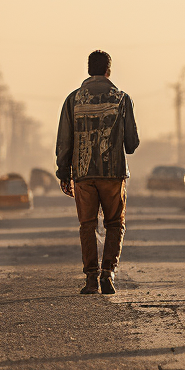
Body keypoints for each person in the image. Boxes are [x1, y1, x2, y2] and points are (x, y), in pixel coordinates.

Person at [55, 50, 140, 294]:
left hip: (82, 173)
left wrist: (64, 173)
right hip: (113, 174)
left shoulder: (73, 100)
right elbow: (131, 145)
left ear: (89, 70)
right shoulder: (122, 99)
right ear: (108, 71)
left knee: (87, 225)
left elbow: (65, 141)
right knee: (115, 224)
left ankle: (91, 278)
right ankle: (108, 274)